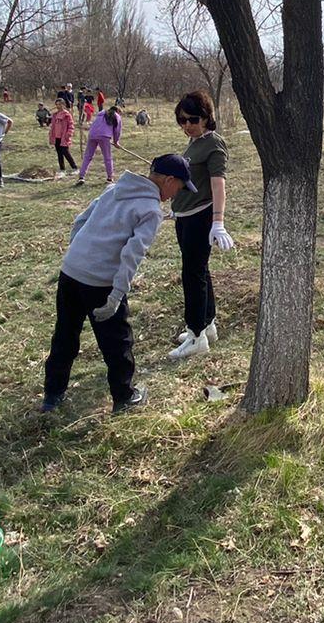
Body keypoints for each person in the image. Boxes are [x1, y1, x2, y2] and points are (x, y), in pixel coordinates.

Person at [42, 154, 195, 415]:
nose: (174, 195)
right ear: (169, 180)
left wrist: (80, 253)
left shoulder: (114, 189)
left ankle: (52, 396)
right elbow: (131, 256)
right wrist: (116, 296)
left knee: (65, 335)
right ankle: (124, 396)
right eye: (178, 188)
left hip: (70, 271)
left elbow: (80, 221)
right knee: (117, 342)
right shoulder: (150, 211)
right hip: (101, 283)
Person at [168, 91, 232, 361]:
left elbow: (218, 184)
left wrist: (218, 222)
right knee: (200, 271)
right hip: (186, 217)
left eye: (193, 119)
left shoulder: (213, 144)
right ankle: (207, 324)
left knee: (192, 275)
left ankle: (196, 336)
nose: (187, 125)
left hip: (200, 219)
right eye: (181, 120)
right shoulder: (195, 142)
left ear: (207, 117)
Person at [77, 103, 122, 185]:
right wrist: (116, 142)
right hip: (104, 136)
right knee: (107, 157)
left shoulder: (101, 114)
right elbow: (117, 131)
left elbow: (96, 125)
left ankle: (81, 177)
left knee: (87, 156)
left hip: (92, 135)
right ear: (117, 111)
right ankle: (110, 178)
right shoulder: (117, 116)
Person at [49, 96, 78, 171]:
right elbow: (53, 126)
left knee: (66, 152)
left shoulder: (66, 114)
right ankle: (62, 169)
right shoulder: (55, 115)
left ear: (63, 105)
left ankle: (74, 167)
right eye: (57, 104)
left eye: (60, 104)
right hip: (56, 137)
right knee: (59, 153)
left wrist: (68, 134)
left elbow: (71, 125)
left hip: (64, 137)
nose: (58, 106)